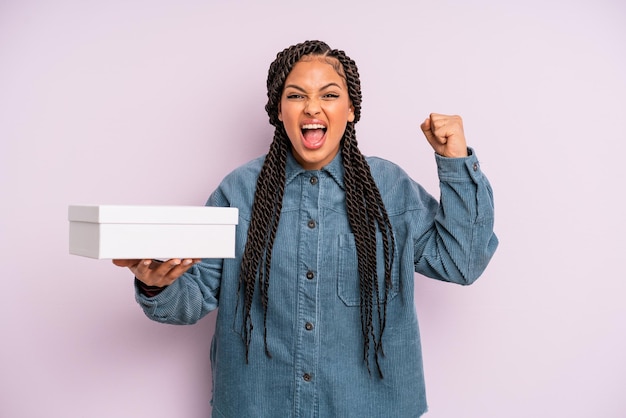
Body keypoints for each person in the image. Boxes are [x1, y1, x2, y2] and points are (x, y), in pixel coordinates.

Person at [114, 40, 498, 418]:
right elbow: (193, 297)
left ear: (350, 110)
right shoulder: (237, 192)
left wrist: (457, 163)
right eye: (296, 96)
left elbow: (461, 262)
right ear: (278, 110)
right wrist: (156, 284)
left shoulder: (391, 189)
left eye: (329, 95)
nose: (312, 107)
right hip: (257, 407)